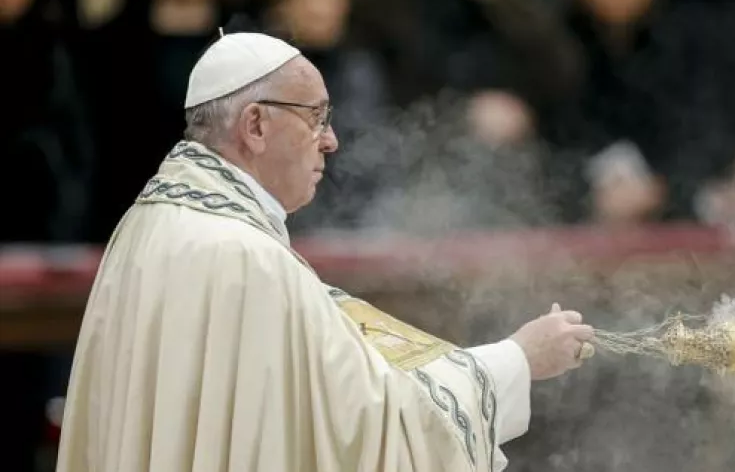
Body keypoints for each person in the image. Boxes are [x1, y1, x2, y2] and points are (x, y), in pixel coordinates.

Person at [55, 31, 595, 472]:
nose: (331, 139)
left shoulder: (151, 222)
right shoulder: (245, 257)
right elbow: (369, 427)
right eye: (316, 117)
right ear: (256, 125)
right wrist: (518, 360)